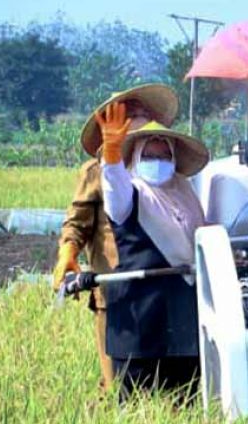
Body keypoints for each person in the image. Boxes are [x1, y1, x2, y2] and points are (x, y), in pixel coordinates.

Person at [53, 84, 179, 392]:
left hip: (164, 287)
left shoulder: (165, 170)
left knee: (170, 377)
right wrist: (67, 254)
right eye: (127, 115)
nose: (135, 120)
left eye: (142, 114)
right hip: (116, 289)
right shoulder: (97, 171)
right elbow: (78, 221)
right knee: (120, 379)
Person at [95, 102, 210, 402]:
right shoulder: (129, 192)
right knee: (137, 408)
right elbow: (114, 189)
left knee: (185, 402)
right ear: (135, 156)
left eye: (163, 155)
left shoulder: (185, 193)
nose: (156, 161)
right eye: (149, 155)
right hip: (138, 319)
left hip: (183, 317)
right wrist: (111, 157)